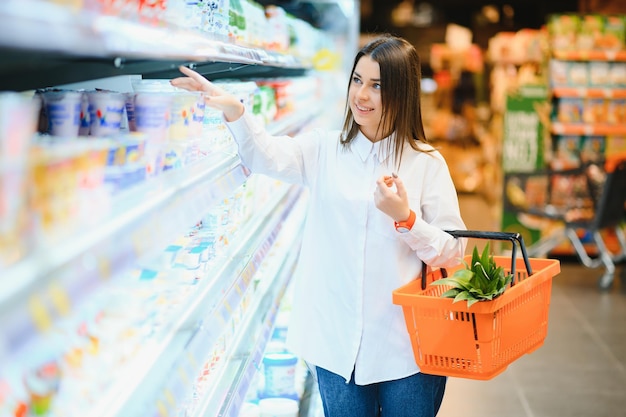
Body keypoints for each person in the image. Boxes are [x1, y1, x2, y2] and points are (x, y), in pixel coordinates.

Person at [171, 34, 467, 417]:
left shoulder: (426, 163)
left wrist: (406, 219)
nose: (361, 94)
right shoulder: (325, 150)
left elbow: (453, 249)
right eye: (357, 80)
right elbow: (266, 156)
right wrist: (235, 110)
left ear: (403, 92)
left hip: (407, 348)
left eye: (377, 85)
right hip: (335, 344)